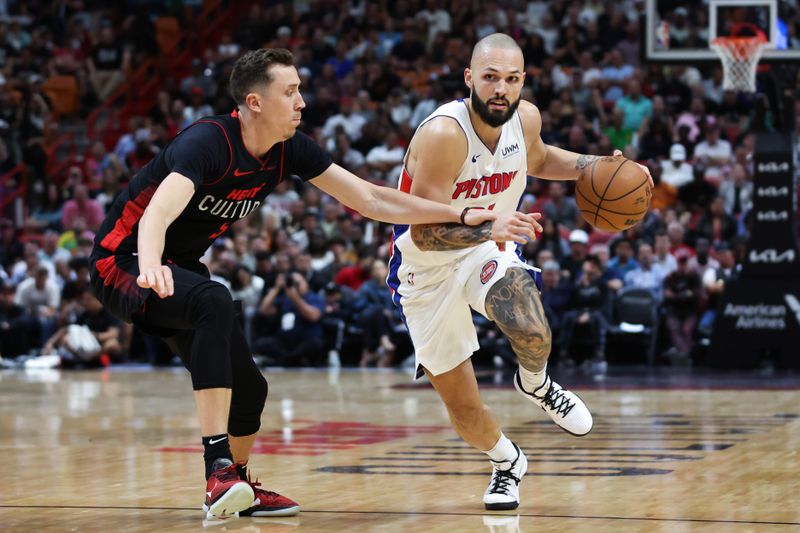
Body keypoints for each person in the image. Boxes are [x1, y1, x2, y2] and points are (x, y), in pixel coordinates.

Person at [88, 48, 532, 520]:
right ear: (255, 102)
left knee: (251, 391)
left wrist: (463, 213)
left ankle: (233, 487)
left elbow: (371, 199)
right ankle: (218, 470)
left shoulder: (289, 149)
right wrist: (152, 263)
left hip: (179, 269)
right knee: (215, 300)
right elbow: (156, 211)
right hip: (124, 261)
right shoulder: (208, 141)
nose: (302, 101)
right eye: (291, 91)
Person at [387, 34, 652, 511]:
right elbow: (424, 233)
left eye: (511, 79)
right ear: (469, 78)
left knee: (529, 319)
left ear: (522, 82)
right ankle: (506, 462)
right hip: (425, 268)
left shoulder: (525, 118)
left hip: (484, 249)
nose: (500, 89)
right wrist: (491, 223)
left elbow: (541, 158)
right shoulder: (445, 134)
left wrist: (603, 166)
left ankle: (535, 383)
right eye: (489, 77)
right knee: (465, 410)